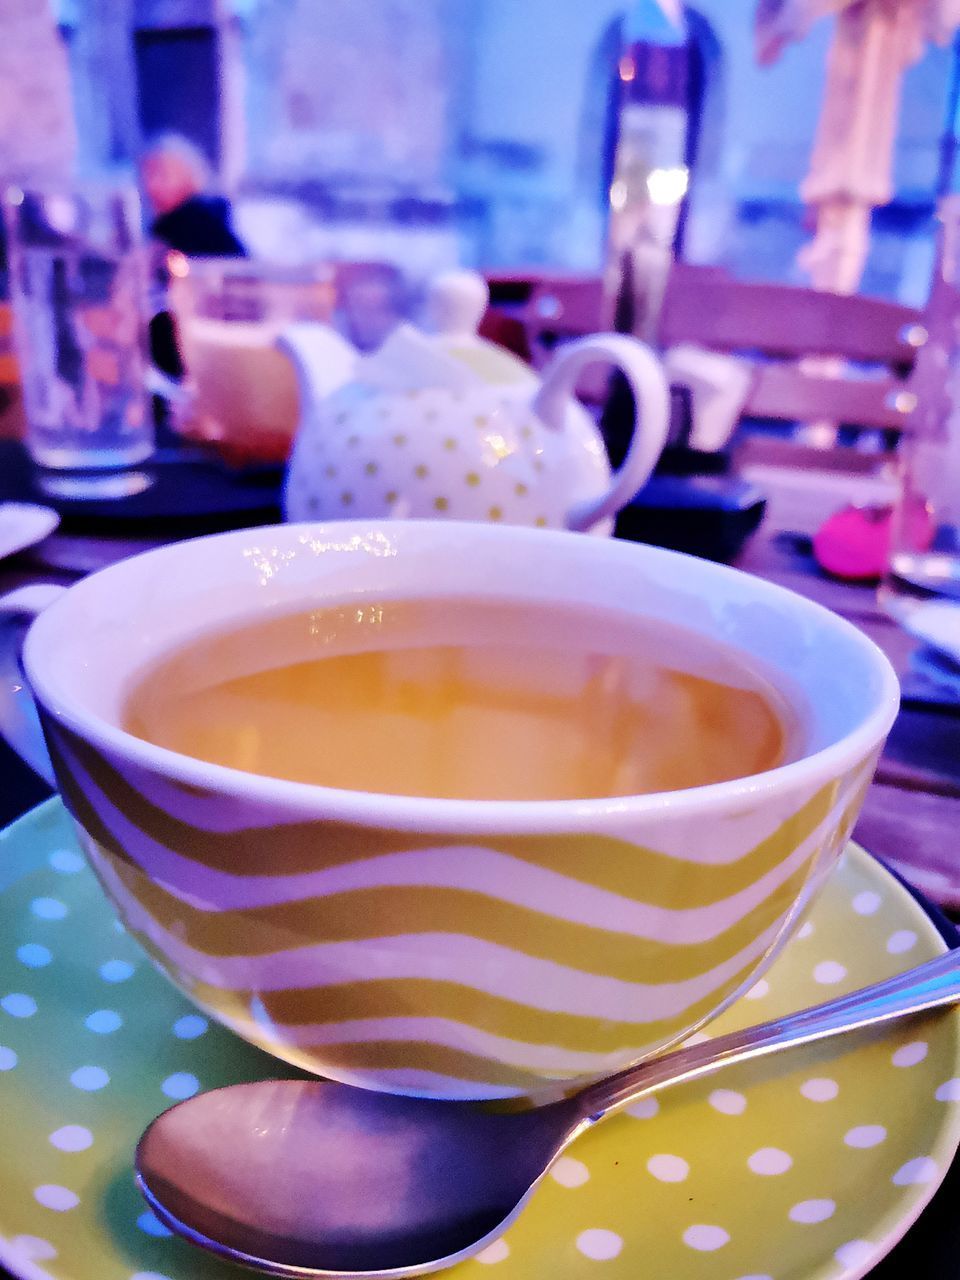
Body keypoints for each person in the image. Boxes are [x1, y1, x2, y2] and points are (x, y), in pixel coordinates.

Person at [139, 134, 246, 259]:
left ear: (189, 177)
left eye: (163, 176)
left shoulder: (197, 228)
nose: (152, 185)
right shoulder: (167, 227)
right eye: (147, 176)